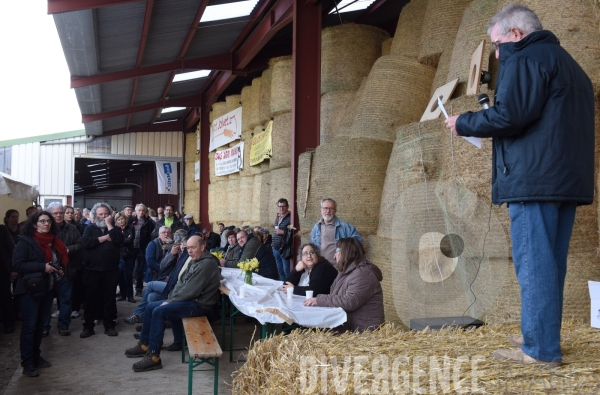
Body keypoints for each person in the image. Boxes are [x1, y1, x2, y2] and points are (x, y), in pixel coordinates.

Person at [444, 4, 594, 368]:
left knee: (534, 266)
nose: (496, 54)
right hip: (564, 180)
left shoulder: (526, 58)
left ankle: (539, 351)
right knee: (550, 265)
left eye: (497, 45)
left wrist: (465, 122)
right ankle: (541, 336)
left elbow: (512, 114)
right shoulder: (571, 66)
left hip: (534, 180)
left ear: (515, 34)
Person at [124, 235, 221, 372]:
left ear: (203, 247)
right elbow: (181, 283)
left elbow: (190, 290)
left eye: (193, 247)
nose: (190, 251)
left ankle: (154, 357)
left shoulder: (207, 264)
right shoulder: (195, 260)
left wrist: (170, 301)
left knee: (159, 311)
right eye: (188, 248)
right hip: (189, 300)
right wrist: (170, 298)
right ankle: (144, 344)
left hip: (199, 305)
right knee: (151, 306)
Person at [12, 211, 68, 376]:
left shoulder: (53, 242)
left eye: (49, 221)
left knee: (39, 326)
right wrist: (42, 267)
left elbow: (56, 261)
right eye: (42, 221)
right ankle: (27, 363)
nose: (46, 224)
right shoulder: (26, 242)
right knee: (29, 327)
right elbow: (17, 265)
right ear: (34, 224)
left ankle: (36, 357)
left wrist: (58, 270)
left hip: (47, 289)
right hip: (30, 291)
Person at [304, 238, 384, 333]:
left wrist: (319, 299)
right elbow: (335, 295)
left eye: (337, 251)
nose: (334, 256)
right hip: (350, 328)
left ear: (347, 252)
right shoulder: (346, 272)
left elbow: (350, 301)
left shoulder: (363, 274)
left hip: (364, 332)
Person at [124, 231, 188, 327]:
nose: (181, 246)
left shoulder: (189, 255)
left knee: (149, 285)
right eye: (179, 244)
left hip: (176, 286)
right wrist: (171, 254)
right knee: (151, 297)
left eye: (184, 244)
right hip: (168, 281)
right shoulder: (173, 250)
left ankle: (139, 314)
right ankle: (152, 323)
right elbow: (162, 266)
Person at [80, 202, 124, 338]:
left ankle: (109, 326)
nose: (103, 217)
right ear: (95, 215)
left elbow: (119, 241)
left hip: (110, 270)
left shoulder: (115, 229)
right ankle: (88, 327)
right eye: (100, 214)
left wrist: (110, 225)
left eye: (106, 214)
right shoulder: (90, 228)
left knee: (109, 299)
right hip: (92, 270)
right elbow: (86, 242)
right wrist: (105, 238)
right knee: (90, 299)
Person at [44, 202, 81, 337]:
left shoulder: (72, 229)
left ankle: (64, 325)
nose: (59, 215)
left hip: (66, 269)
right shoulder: (44, 228)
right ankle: (44, 326)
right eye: (55, 213)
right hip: (47, 270)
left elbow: (80, 245)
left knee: (65, 299)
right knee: (47, 301)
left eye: (61, 212)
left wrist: (68, 250)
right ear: (50, 214)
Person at [310, 198, 363, 263]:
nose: (328, 211)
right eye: (325, 208)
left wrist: (342, 250)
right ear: (321, 210)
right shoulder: (316, 228)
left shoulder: (345, 227)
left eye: (331, 208)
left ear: (335, 210)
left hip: (339, 267)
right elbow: (313, 248)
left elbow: (359, 241)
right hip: (321, 266)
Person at [129, 204, 155, 297]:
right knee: (129, 269)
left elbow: (152, 236)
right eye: (139, 210)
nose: (141, 212)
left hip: (142, 248)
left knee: (140, 269)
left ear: (145, 212)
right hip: (130, 248)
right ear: (136, 211)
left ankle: (139, 288)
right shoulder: (131, 221)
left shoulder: (149, 223)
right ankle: (127, 291)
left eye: (143, 210)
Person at [0, 209, 19, 333]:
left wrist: (12, 269)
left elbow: (11, 249)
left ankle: (8, 323)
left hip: (2, 270)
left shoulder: (2, 230)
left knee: (5, 296)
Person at [115, 212, 136, 303]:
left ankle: (130, 296)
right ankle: (123, 295)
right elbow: (115, 240)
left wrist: (120, 241)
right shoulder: (115, 229)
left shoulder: (131, 228)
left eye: (122, 219)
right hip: (118, 255)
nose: (121, 221)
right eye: (118, 219)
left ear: (125, 219)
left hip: (129, 254)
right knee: (120, 275)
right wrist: (123, 240)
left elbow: (130, 240)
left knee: (128, 275)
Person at [272, 198, 292, 281]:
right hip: (275, 248)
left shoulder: (291, 217)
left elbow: (294, 232)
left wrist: (283, 232)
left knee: (286, 271)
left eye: (283, 206)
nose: (281, 208)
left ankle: (288, 289)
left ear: (287, 206)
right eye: (280, 206)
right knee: (280, 271)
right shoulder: (278, 216)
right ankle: (282, 287)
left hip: (284, 248)